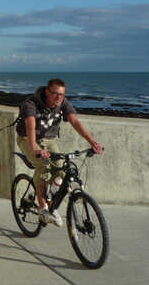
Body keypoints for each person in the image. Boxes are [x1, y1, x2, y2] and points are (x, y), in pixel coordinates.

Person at [16, 78, 103, 227]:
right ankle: (43, 209)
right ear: (47, 92)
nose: (58, 97)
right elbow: (30, 127)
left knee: (62, 169)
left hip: (49, 139)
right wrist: (35, 148)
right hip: (28, 139)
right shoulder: (31, 104)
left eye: (61, 94)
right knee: (43, 165)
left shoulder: (63, 103)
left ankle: (52, 204)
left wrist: (92, 142)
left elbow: (75, 122)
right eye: (55, 93)